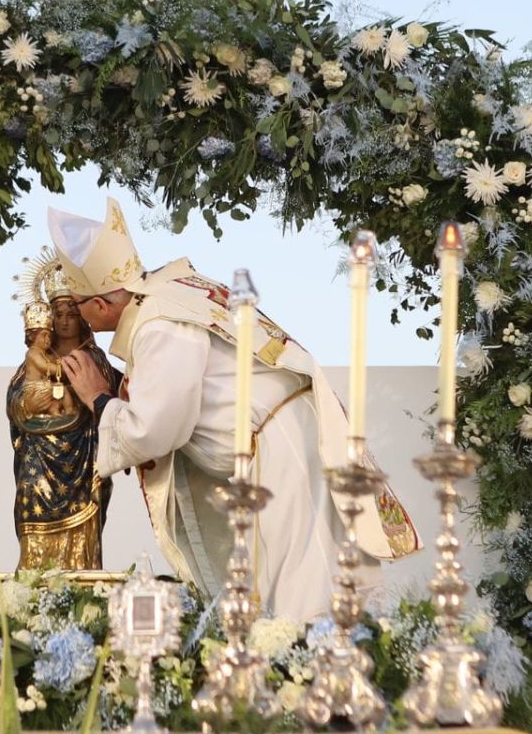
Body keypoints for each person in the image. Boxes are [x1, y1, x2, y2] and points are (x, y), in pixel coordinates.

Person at [47, 198, 418, 622]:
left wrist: (98, 398)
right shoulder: (172, 295)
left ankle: (322, 679)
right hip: (281, 446)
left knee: (309, 596)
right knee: (308, 585)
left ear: (101, 303)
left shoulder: (160, 323)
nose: (76, 317)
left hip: (284, 456)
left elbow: (156, 428)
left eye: (76, 305)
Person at [8, 270, 122, 570]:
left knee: (84, 531)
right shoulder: (36, 358)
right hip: (39, 458)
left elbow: (115, 398)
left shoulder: (96, 360)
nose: (65, 321)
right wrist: (31, 401)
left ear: (83, 316)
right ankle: (32, 589)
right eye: (58, 314)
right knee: (31, 506)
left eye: (72, 312)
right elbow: (16, 401)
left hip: (83, 461)